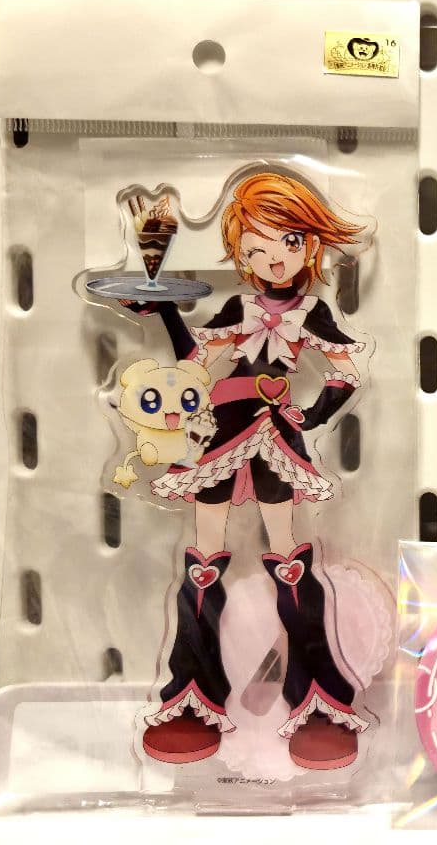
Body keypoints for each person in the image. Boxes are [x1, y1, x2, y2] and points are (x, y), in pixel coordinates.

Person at [125, 170, 371, 770]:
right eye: (257, 248)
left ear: (311, 246)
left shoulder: (312, 311)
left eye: (289, 242)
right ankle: (191, 693)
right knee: (204, 558)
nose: (274, 258)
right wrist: (164, 313)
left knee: (290, 559)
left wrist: (313, 413)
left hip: (276, 433)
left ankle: (317, 699)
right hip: (222, 429)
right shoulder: (238, 306)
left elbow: (346, 373)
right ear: (241, 253)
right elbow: (196, 359)